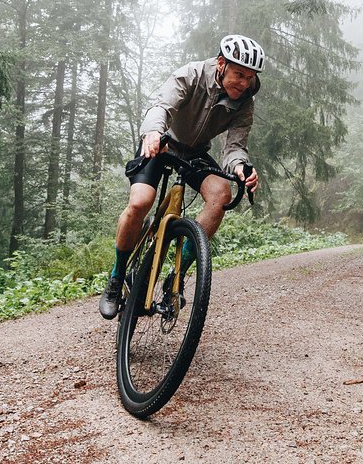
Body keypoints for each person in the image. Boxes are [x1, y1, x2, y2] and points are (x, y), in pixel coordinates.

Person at [98, 34, 264, 319]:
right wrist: (152, 133)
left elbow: (235, 148)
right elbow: (161, 107)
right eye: (239, 74)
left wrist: (240, 168)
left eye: (250, 77)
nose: (244, 83)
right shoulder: (193, 74)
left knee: (221, 195)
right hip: (162, 140)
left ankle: (176, 276)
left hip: (195, 151)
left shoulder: (246, 100)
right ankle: (116, 276)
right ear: (222, 64)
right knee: (140, 202)